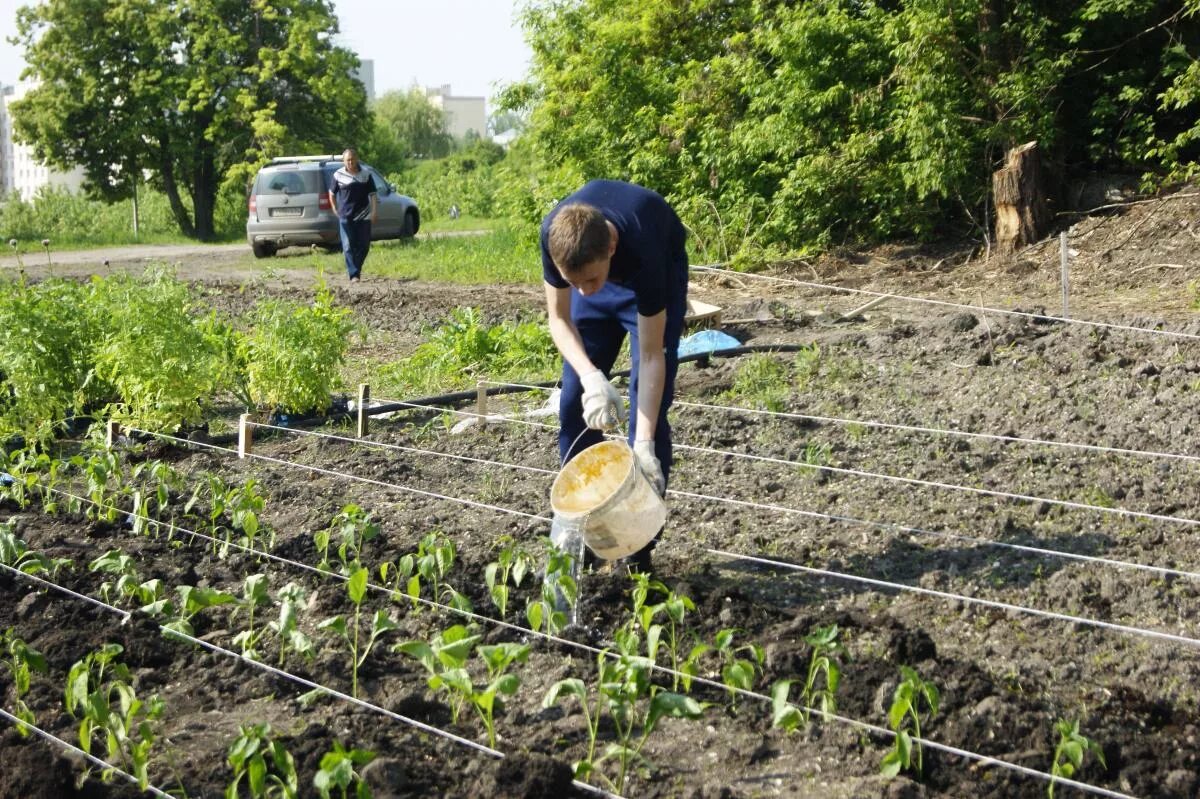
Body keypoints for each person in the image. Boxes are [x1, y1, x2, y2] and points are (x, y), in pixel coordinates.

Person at [541, 179, 688, 573]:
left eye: (587, 282)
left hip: (652, 283)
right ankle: (584, 535)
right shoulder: (555, 238)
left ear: (610, 246)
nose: (583, 293)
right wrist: (591, 377)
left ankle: (636, 547)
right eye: (574, 284)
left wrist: (641, 444)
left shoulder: (644, 252)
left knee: (649, 417)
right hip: (601, 269)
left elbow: (652, 355)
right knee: (575, 406)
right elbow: (559, 317)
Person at [327, 148, 378, 282]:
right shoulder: (338, 174)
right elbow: (331, 194)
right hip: (345, 216)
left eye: (352, 159)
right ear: (344, 161)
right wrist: (334, 208)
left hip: (364, 215)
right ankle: (354, 274)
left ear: (356, 159)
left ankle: (356, 269)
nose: (350, 162)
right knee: (348, 245)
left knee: (364, 245)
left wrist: (374, 212)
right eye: (347, 160)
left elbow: (373, 195)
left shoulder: (366, 174)